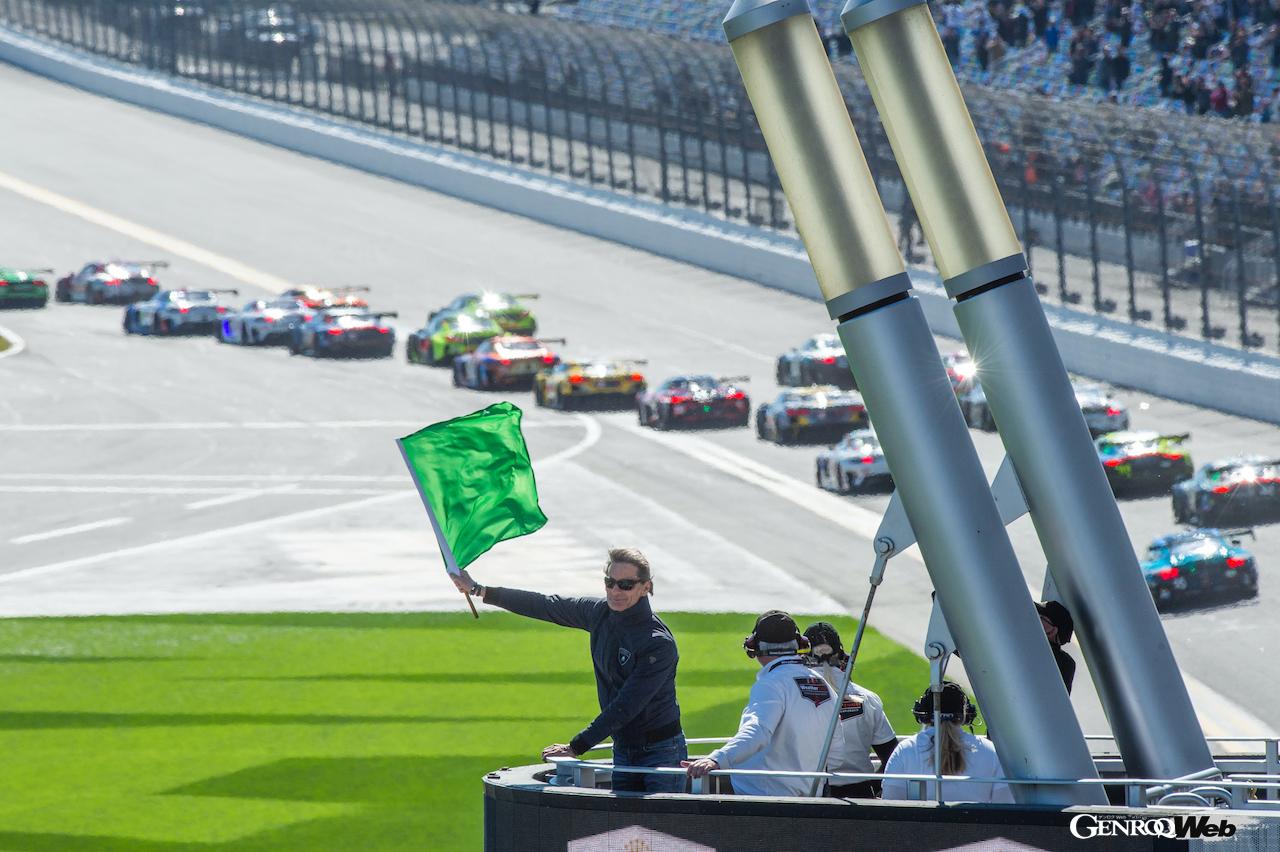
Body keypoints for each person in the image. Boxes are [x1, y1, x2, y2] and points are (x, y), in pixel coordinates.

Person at [451, 547, 686, 793]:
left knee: (659, 829)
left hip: (660, 753)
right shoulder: (600, 613)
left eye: (626, 585)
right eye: (610, 582)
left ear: (645, 587)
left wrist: (576, 746)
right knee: (624, 829)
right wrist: (479, 589)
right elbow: (545, 605)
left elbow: (626, 706)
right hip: (623, 747)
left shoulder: (658, 643)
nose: (615, 591)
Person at [684, 611, 844, 797]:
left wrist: (717, 759)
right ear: (800, 644)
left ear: (753, 646)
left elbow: (757, 731)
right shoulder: (824, 685)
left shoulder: (772, 683)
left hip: (765, 803)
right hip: (811, 802)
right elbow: (836, 755)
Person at [803, 622, 899, 798]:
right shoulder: (868, 698)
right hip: (860, 796)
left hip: (808, 794)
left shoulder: (794, 697)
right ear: (840, 654)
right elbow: (892, 756)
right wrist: (873, 785)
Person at [881, 682, 1014, 803]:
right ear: (965, 715)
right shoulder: (990, 751)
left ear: (923, 714)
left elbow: (891, 803)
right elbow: (1004, 806)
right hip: (977, 829)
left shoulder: (905, 750)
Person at [1037, 600, 1076, 693]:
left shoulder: (1063, 664)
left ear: (1053, 630)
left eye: (1042, 617)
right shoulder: (1066, 664)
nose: (1036, 616)